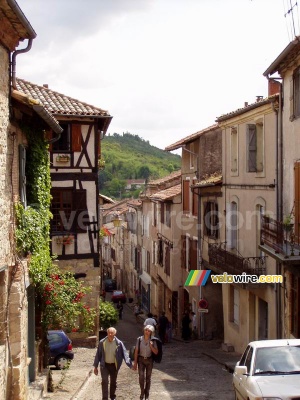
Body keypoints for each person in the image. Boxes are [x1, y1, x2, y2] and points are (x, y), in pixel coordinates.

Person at [93, 327, 133, 400]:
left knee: (113, 382)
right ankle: (104, 398)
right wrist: (95, 366)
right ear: (107, 333)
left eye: (112, 333)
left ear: (115, 333)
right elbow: (98, 355)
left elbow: (125, 354)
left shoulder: (119, 343)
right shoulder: (102, 342)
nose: (110, 334)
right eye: (109, 333)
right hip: (104, 365)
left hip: (114, 366)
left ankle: (112, 396)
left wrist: (130, 365)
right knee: (105, 381)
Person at [133, 325, 158, 400]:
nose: (147, 332)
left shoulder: (153, 340)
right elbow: (136, 351)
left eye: (149, 331)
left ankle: (147, 394)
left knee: (148, 378)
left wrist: (151, 346)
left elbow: (156, 352)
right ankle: (142, 392)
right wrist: (135, 363)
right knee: (141, 377)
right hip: (141, 360)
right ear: (144, 331)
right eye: (146, 330)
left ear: (151, 333)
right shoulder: (139, 339)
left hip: (149, 360)